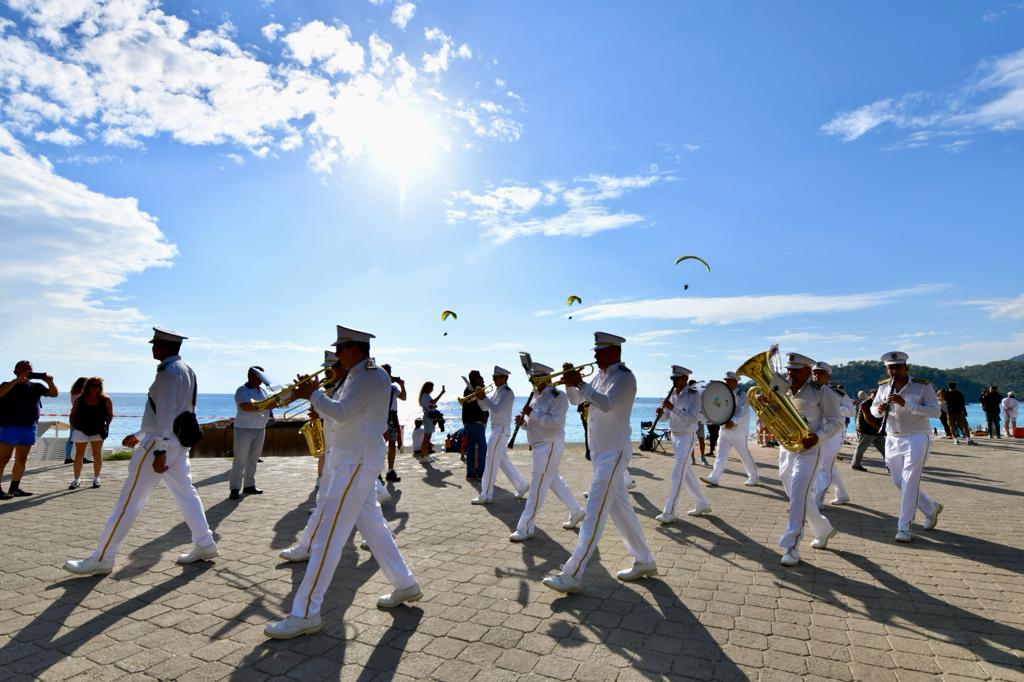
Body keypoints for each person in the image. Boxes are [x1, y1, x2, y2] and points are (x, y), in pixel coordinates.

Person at [266, 326, 421, 639]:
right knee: (374, 528)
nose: (336, 355)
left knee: (328, 537)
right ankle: (405, 584)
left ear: (354, 349)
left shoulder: (370, 375)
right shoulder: (357, 375)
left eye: (340, 349)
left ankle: (305, 612)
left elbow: (344, 411)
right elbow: (340, 416)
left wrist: (313, 392)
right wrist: (314, 399)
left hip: (355, 463)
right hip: (350, 460)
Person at [64, 327, 217, 575]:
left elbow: (166, 414)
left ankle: (102, 557)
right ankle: (205, 543)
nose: (152, 347)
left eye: (154, 343)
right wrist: (139, 435)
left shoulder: (167, 374)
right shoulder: (186, 370)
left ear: (164, 347)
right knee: (186, 493)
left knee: (129, 501)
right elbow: (176, 412)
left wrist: (159, 451)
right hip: (178, 442)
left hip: (162, 444)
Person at [543, 332, 656, 593]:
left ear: (613, 351)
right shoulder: (599, 376)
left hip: (614, 453)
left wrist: (580, 383)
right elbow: (575, 400)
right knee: (622, 511)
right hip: (601, 453)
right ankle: (645, 561)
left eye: (599, 350)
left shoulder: (624, 377)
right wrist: (572, 383)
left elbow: (605, 404)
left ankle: (572, 573)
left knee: (593, 512)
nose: (594, 355)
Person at [773, 352, 841, 567]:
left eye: (794, 370)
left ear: (807, 371)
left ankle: (791, 546)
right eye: (788, 369)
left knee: (799, 493)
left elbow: (836, 422)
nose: (789, 373)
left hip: (810, 450)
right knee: (797, 495)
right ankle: (822, 528)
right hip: (787, 447)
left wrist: (818, 436)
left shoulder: (822, 392)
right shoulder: (781, 388)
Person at [870, 351, 943, 543]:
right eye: (890, 368)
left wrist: (907, 404)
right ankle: (930, 507)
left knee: (910, 480)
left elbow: (936, 412)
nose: (893, 371)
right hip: (893, 437)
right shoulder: (884, 386)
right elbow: (874, 408)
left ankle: (904, 527)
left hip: (917, 436)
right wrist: (878, 410)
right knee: (898, 481)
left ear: (906, 367)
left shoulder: (922, 386)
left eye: (897, 367)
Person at [509, 361, 585, 540]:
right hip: (540, 445)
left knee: (537, 486)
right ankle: (576, 511)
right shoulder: (536, 396)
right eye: (531, 377)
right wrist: (524, 424)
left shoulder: (558, 396)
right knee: (553, 481)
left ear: (545, 377)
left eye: (535, 377)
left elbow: (555, 424)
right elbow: (536, 424)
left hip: (549, 445)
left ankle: (525, 527)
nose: (532, 380)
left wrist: (532, 414)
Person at [655, 366, 711, 524]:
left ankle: (669, 512)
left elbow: (692, 417)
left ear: (685, 378)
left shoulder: (694, 395)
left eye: (676, 379)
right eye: (672, 379)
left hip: (687, 437)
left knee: (677, 474)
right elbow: (667, 416)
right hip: (674, 436)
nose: (673, 382)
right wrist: (661, 414)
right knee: (685, 473)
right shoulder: (672, 393)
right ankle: (702, 504)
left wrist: (673, 408)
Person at [0, 361, 59, 498]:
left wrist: (50, 382)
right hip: (10, 426)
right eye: (23, 370)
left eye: (29, 370)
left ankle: (14, 488)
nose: (26, 373)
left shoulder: (36, 386)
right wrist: (16, 381)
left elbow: (53, 394)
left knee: (22, 458)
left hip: (29, 427)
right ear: (15, 372)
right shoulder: (6, 385)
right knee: (3, 458)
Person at [471, 366, 528, 504]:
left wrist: (484, 397)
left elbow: (497, 410)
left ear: (504, 377)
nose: (493, 379)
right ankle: (522, 485)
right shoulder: (498, 391)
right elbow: (485, 407)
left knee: (490, 462)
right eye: (493, 376)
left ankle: (486, 495)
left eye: (496, 377)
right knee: (502, 461)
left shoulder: (508, 393)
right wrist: (480, 398)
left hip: (500, 430)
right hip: (497, 429)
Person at [701, 371, 759, 487]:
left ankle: (753, 476)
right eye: (725, 380)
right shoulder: (722, 395)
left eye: (729, 380)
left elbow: (742, 410)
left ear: (735, 382)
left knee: (744, 454)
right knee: (720, 454)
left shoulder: (741, 395)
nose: (726, 382)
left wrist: (734, 421)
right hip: (724, 429)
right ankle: (715, 477)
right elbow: (717, 408)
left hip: (738, 430)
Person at [810, 363, 852, 507]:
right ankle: (842, 494)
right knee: (827, 467)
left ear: (828, 376)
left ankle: (817, 500)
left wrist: (832, 408)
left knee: (824, 467)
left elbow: (851, 411)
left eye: (821, 373)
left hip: (833, 433)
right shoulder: (808, 391)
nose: (817, 375)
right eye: (815, 373)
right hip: (815, 432)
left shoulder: (837, 392)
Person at [230, 366, 271, 500]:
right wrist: (266, 405)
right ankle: (235, 488)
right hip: (244, 429)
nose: (262, 380)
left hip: (260, 429)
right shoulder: (242, 390)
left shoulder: (263, 391)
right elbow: (245, 406)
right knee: (240, 460)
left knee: (253, 460)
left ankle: (249, 485)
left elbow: (268, 406)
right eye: (260, 376)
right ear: (251, 376)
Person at [68, 377, 112, 490]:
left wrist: (106, 426)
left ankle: (97, 478)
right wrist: (74, 426)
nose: (94, 387)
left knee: (97, 453)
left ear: (100, 387)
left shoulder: (105, 400)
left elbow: (110, 415)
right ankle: (76, 479)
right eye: (92, 385)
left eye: (97, 385)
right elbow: (72, 414)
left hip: (98, 430)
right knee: (79, 454)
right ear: (87, 386)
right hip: (81, 429)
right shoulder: (80, 399)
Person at [461, 370, 488, 480]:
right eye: (480, 377)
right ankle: (482, 473)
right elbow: (482, 406)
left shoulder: (469, 390)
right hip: (475, 423)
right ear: (474, 379)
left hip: (468, 423)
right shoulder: (472, 391)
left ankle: (470, 473)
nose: (483, 379)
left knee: (471, 448)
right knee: (483, 447)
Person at [381, 364, 406, 482]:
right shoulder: (377, 387)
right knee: (379, 445)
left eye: (389, 372)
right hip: (380, 417)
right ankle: (377, 472)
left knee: (392, 444)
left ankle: (390, 471)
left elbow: (404, 397)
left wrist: (402, 385)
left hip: (391, 417)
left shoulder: (393, 388)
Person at [851, 389, 886, 471]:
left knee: (885, 449)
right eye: (874, 394)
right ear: (870, 394)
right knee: (861, 448)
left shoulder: (879, 404)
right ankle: (855, 464)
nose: (876, 396)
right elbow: (868, 418)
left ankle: (890, 465)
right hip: (866, 431)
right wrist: (879, 428)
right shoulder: (865, 404)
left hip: (876, 431)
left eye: (878, 394)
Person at [417, 382, 445, 459]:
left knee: (428, 438)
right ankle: (423, 456)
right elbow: (433, 403)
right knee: (426, 438)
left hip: (429, 417)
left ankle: (425, 455)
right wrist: (441, 394)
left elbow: (431, 405)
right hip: (428, 417)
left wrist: (433, 405)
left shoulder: (426, 396)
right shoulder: (425, 395)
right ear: (427, 387)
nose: (432, 389)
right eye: (431, 387)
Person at [65, 377, 88, 464]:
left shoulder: (74, 393)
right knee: (83, 437)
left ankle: (68, 457)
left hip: (75, 416)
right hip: (81, 417)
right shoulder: (82, 394)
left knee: (72, 438)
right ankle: (82, 457)